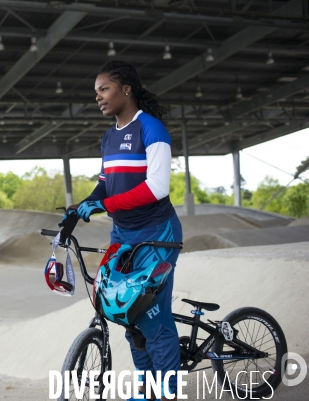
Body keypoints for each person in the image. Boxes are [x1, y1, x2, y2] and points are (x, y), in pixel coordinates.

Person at [68, 60, 182, 401]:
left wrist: (107, 206)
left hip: (156, 233)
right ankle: (148, 390)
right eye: (96, 92)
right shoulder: (108, 137)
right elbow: (105, 184)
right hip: (124, 236)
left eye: (104, 89)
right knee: (127, 314)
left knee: (152, 316)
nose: (98, 97)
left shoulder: (152, 128)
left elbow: (157, 187)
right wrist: (78, 209)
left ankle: (167, 393)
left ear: (126, 89)